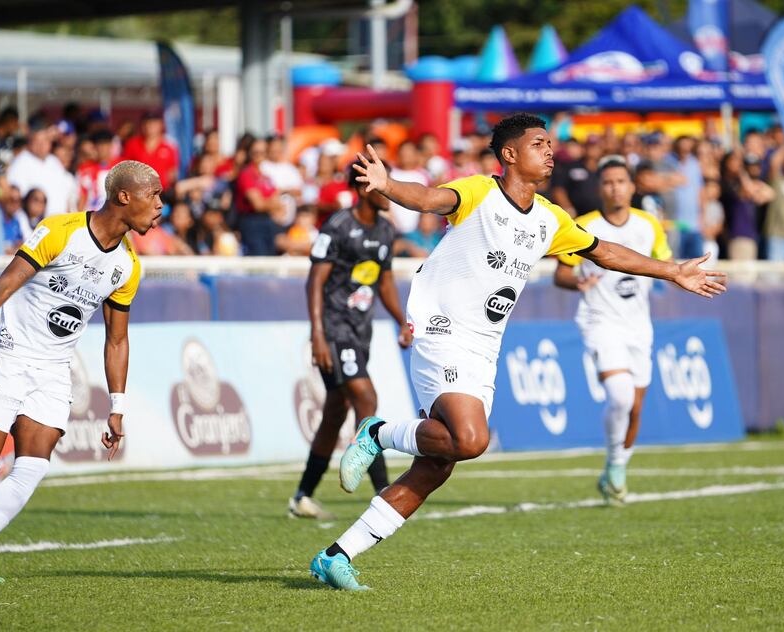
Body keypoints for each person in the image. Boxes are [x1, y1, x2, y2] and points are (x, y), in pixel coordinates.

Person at [308, 113, 726, 591]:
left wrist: (671, 270)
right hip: (443, 331)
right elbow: (428, 198)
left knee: (438, 465)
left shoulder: (550, 218)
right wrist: (387, 185)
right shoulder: (479, 192)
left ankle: (336, 555)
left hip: (484, 348)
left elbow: (604, 252)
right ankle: (378, 432)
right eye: (538, 143)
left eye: (550, 144)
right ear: (509, 154)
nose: (549, 151)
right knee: (471, 440)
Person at [0, 160, 156, 568]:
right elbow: (3, 286)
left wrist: (117, 407)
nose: (159, 205)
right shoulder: (61, 231)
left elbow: (117, 340)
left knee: (32, 467)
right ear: (124, 196)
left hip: (52, 370)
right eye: (153, 195)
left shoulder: (128, 266)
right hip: (7, 353)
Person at [289, 163, 411, 520]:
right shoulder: (339, 226)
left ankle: (302, 496)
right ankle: (385, 493)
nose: (389, 191)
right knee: (366, 397)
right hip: (334, 328)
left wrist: (402, 321)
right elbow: (315, 281)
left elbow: (384, 282)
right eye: (382, 184)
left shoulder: (386, 230)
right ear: (362, 189)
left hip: (360, 331)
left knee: (335, 412)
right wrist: (318, 333)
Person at [553, 156, 672, 504]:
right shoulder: (583, 226)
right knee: (620, 395)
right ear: (599, 188)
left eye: (621, 181)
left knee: (634, 408)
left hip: (639, 326)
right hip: (600, 321)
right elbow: (561, 273)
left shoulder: (649, 224)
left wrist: (683, 274)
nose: (615, 188)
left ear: (632, 187)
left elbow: (665, 264)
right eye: (608, 182)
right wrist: (578, 283)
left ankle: (615, 467)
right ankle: (616, 467)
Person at [235, 137, 283, 256]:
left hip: (267, 222)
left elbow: (277, 202)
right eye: (256, 152)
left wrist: (269, 203)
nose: (259, 155)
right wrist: (271, 204)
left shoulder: (265, 176)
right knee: (259, 258)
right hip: (252, 223)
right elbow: (258, 205)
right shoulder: (246, 174)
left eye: (262, 152)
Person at [121, 111, 180, 190]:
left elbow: (173, 172)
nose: (150, 126)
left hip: (161, 191)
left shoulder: (169, 146)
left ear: (161, 125)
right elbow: (125, 168)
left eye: (154, 123)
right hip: (138, 190)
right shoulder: (132, 144)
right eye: (147, 123)